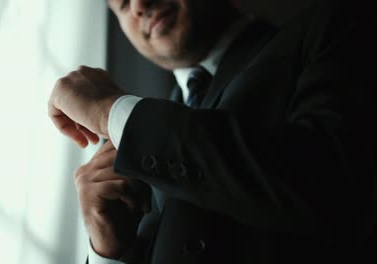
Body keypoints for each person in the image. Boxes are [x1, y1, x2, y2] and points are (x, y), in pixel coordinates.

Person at [48, 0, 376, 263]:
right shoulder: (137, 147)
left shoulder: (335, 24)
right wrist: (111, 253)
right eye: (121, 5)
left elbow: (336, 185)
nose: (138, 5)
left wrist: (111, 110)